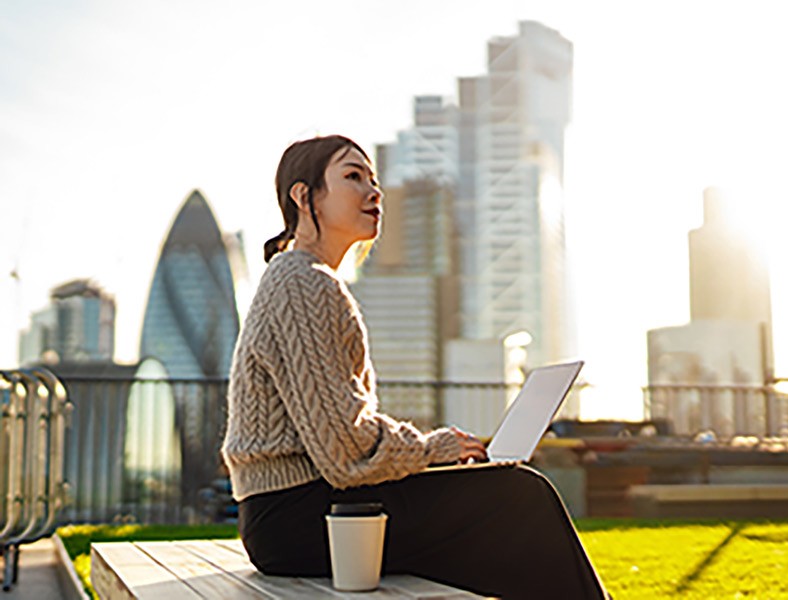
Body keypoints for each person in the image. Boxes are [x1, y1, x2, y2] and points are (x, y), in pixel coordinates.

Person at [221, 134, 609, 599]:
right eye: (352, 176)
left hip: (299, 512)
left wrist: (436, 460)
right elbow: (346, 452)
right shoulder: (302, 283)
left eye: (374, 179)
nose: (373, 191)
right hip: (300, 516)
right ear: (303, 197)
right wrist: (434, 449)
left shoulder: (301, 279)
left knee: (499, 514)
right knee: (521, 498)